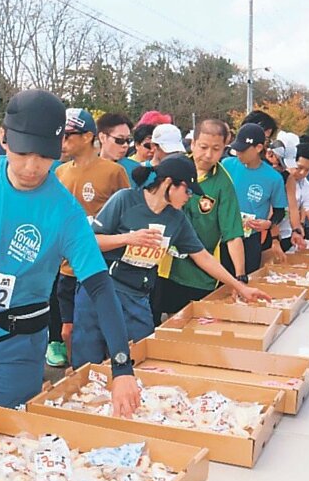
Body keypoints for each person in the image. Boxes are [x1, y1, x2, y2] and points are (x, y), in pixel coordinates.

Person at [0, 89, 141, 418]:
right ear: (4, 138)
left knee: (10, 431)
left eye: (44, 157)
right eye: (23, 153)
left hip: (18, 343)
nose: (32, 167)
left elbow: (99, 286)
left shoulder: (65, 212)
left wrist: (122, 368)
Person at [71, 155, 269, 367]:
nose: (189, 197)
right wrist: (128, 238)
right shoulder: (125, 200)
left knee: (138, 359)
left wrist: (239, 286)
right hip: (102, 289)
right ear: (169, 183)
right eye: (187, 191)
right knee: (88, 358)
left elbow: (202, 257)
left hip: (137, 295)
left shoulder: (177, 219)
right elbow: (90, 241)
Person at [53, 108, 130, 364]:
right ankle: (76, 375)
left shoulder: (113, 172)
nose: (62, 141)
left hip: (99, 266)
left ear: (87, 136)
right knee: (68, 330)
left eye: (67, 135)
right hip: (65, 268)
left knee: (104, 331)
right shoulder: (60, 172)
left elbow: (126, 218)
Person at [157, 119, 247, 314]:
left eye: (216, 149)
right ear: (192, 143)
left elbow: (232, 234)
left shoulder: (223, 183)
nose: (208, 155)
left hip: (199, 274)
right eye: (203, 147)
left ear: (224, 148)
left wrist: (240, 277)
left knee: (188, 329)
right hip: (162, 267)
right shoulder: (173, 168)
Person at [222, 123, 288, 273]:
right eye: (236, 149)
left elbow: (280, 211)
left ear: (258, 148)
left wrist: (269, 224)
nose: (238, 153)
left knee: (247, 279)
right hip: (223, 235)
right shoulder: (226, 165)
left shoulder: (273, 178)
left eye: (243, 150)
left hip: (250, 238)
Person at [97, 112, 139, 183]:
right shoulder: (85, 168)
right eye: (119, 140)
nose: (125, 145)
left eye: (128, 140)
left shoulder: (137, 171)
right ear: (102, 138)